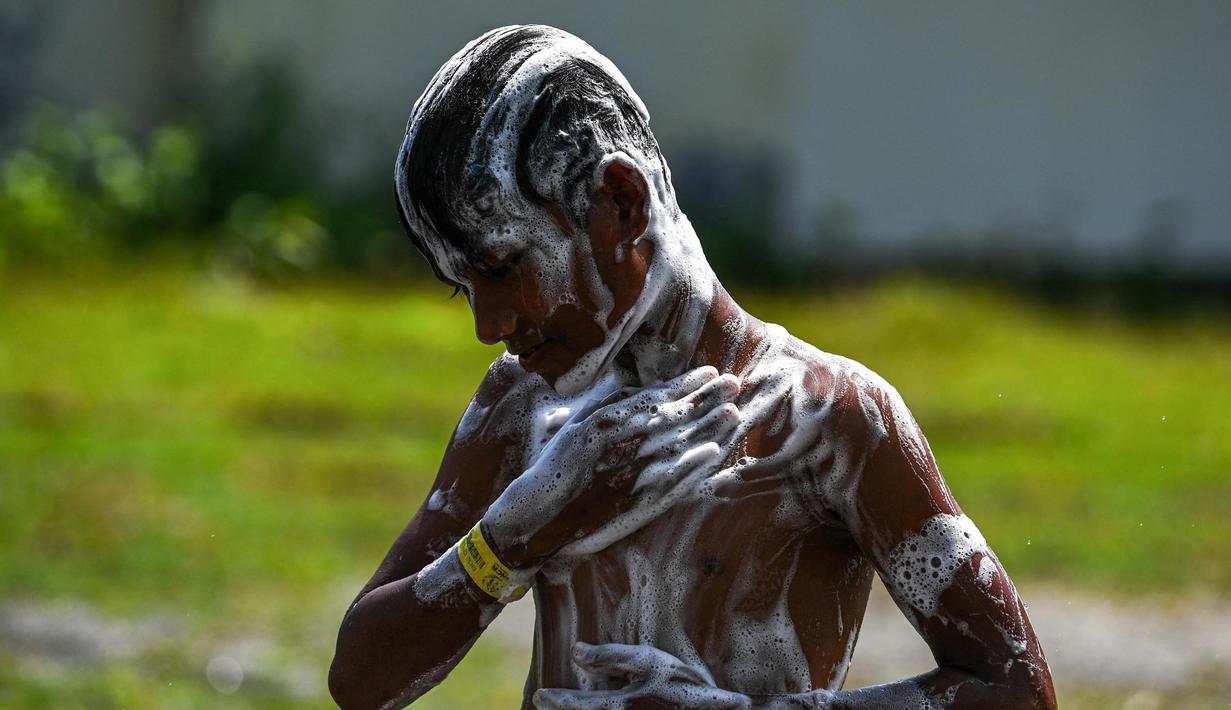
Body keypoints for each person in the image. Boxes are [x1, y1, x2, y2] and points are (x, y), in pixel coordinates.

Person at [328, 25, 1057, 710]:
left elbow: (1017, 689)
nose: (488, 326)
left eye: (502, 266)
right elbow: (361, 683)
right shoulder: (520, 405)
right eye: (464, 287)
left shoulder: (829, 417)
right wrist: (512, 539)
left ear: (621, 202)